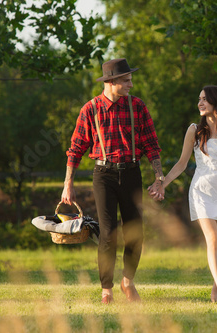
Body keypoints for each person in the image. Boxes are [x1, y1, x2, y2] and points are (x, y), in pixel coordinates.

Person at [61, 58, 165, 304]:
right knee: (108, 233)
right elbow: (75, 149)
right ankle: (106, 289)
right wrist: (68, 184)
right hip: (104, 176)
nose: (131, 84)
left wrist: (159, 177)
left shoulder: (138, 107)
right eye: (126, 80)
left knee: (135, 232)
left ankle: (127, 282)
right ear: (110, 82)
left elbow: (152, 145)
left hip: (131, 173)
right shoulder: (90, 109)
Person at [149, 85, 217, 305]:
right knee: (212, 239)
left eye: (205, 99)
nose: (200, 103)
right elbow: (182, 163)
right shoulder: (194, 130)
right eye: (199, 99)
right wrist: (162, 183)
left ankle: (216, 287)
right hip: (201, 192)